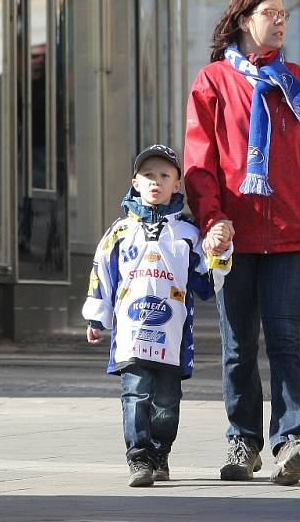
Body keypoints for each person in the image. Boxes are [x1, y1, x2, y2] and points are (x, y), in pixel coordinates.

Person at [184, 0, 300, 486]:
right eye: (272, 13)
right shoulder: (213, 82)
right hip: (232, 238)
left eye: (285, 15)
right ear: (245, 18)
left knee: (286, 341)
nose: (281, 21)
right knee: (238, 344)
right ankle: (243, 439)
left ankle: (291, 438)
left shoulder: (299, 82)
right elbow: (200, 164)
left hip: (290, 236)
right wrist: (211, 220)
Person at [82, 144, 232, 488]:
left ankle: (160, 452)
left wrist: (220, 255)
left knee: (166, 402)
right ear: (135, 182)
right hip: (131, 335)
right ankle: (138, 457)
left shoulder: (189, 235)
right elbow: (101, 273)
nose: (155, 182)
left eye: (164, 176)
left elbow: (206, 285)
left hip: (172, 336)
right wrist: (97, 317)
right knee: (135, 394)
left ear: (177, 185)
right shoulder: (119, 233)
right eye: (148, 175)